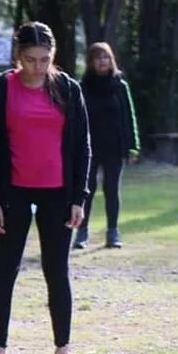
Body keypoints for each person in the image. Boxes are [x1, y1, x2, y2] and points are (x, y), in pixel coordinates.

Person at [0, 21, 90, 354]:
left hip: (58, 193)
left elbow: (82, 146)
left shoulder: (67, 89)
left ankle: (63, 351)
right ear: (17, 56)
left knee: (57, 271)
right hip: (13, 193)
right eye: (30, 59)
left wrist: (78, 197)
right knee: (4, 271)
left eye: (44, 59)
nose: (38, 67)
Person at [74, 42, 140, 249]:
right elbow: (75, 119)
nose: (102, 61)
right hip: (90, 147)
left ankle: (113, 233)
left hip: (115, 146)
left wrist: (133, 146)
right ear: (91, 62)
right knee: (87, 189)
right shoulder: (82, 87)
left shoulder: (120, 86)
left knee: (112, 189)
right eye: (98, 58)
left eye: (106, 57)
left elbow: (130, 117)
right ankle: (82, 233)